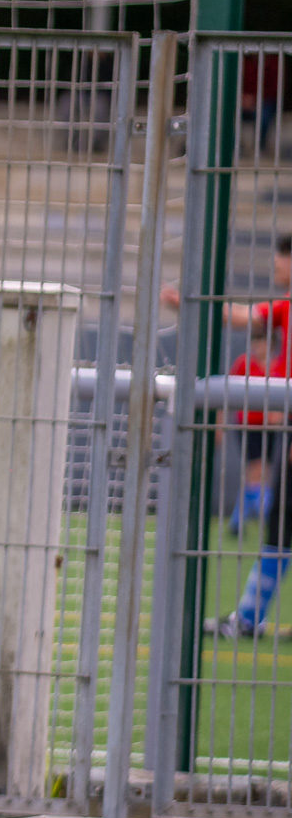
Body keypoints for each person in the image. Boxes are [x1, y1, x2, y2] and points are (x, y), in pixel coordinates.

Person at [168, 236, 292, 638]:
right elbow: (241, 316)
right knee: (280, 525)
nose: (275, 265)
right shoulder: (284, 309)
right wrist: (192, 302)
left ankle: (248, 619)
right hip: (276, 430)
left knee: (280, 525)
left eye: (281, 259)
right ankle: (248, 618)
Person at [221, 316, 278, 536]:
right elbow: (224, 393)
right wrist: (219, 425)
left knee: (259, 474)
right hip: (249, 426)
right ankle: (269, 520)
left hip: (273, 428)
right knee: (258, 471)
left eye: (261, 341)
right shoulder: (244, 363)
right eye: (254, 342)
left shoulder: (279, 365)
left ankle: (237, 522)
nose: (257, 346)